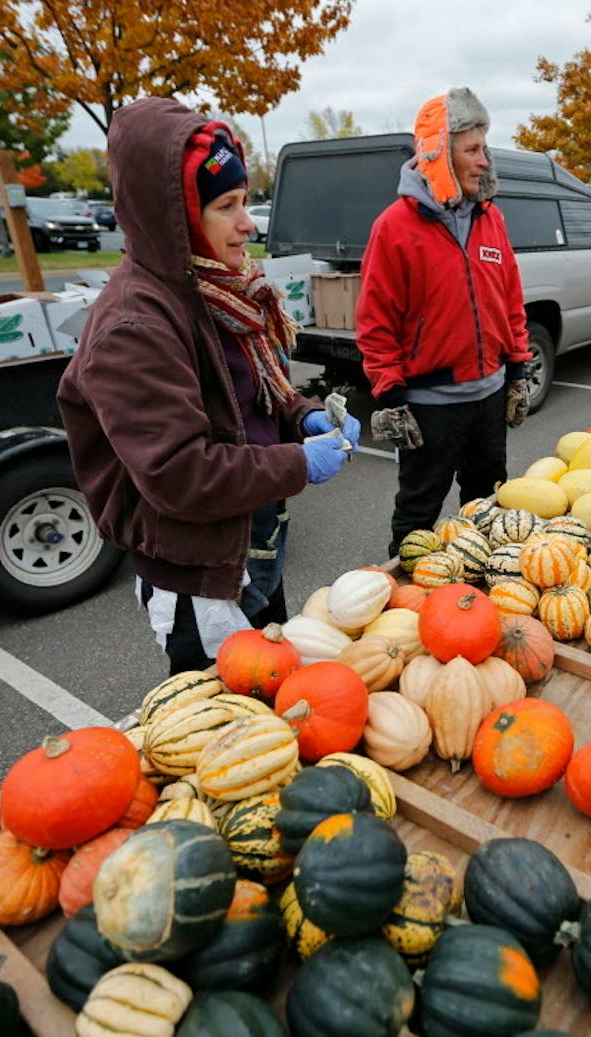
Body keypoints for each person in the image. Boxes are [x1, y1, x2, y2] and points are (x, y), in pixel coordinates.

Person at [58, 97, 359, 675]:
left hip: (250, 540)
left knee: (272, 688)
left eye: (246, 202)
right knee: (219, 728)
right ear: (176, 217)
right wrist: (298, 462)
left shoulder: (215, 288)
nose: (249, 223)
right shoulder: (135, 325)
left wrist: (302, 416)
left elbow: (248, 395)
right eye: (227, 206)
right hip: (201, 573)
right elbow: (180, 475)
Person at [356, 87, 532, 557]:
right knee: (418, 516)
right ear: (438, 153)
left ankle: (483, 594)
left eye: (484, 149)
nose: (483, 162)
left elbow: (510, 301)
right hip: (429, 407)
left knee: (490, 505)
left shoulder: (491, 219)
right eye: (471, 150)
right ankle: (410, 601)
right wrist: (390, 397)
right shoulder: (395, 227)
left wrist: (516, 373)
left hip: (489, 398)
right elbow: (375, 322)